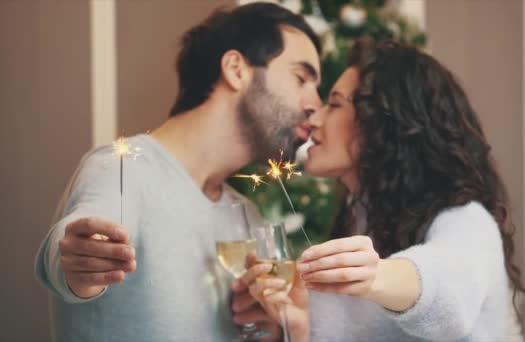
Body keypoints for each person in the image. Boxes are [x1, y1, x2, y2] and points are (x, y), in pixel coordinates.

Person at [34, 3, 322, 341]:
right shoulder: (122, 170)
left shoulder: (248, 216)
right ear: (236, 69)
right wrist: (78, 264)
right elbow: (70, 253)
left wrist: (274, 332)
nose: (314, 105)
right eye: (301, 78)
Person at [238, 39, 525, 341]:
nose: (315, 119)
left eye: (335, 104)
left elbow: (450, 297)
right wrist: (293, 329)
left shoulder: (466, 221)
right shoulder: (356, 221)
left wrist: (377, 275)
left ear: (381, 122)